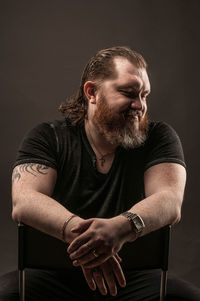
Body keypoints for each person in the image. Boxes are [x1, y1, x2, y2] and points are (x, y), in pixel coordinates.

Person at [0, 46, 200, 301]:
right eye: (129, 93)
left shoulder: (159, 137)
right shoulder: (47, 137)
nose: (140, 105)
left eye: (145, 95)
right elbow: (24, 200)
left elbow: (170, 201)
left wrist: (119, 229)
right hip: (53, 277)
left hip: (134, 278)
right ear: (92, 92)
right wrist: (92, 244)